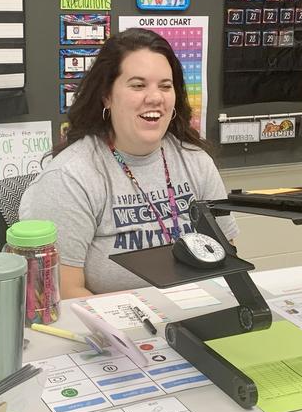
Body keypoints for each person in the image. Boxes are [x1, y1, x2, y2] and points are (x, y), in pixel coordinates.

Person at [20, 28, 238, 298]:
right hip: (112, 332)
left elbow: (225, 261)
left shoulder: (196, 162)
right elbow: (65, 293)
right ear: (107, 96)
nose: (155, 97)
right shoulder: (70, 177)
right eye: (138, 85)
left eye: (165, 86)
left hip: (196, 314)